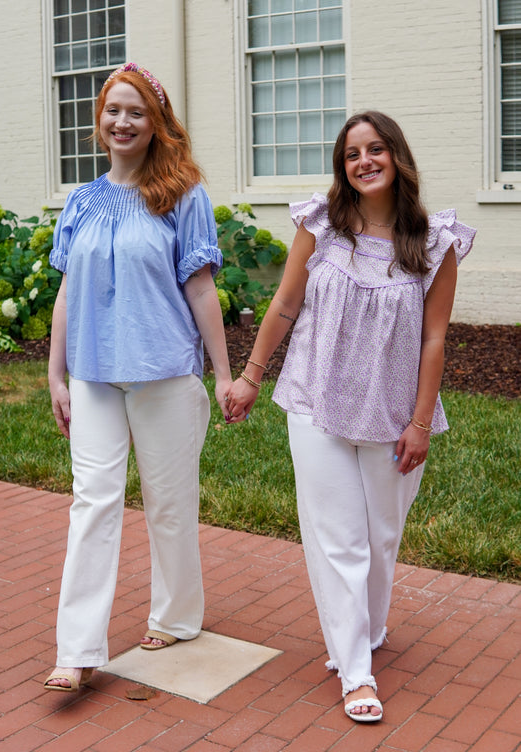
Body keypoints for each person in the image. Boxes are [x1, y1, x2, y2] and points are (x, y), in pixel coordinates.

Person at [226, 111, 475, 722]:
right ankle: (355, 673)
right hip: (316, 400)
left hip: (393, 414)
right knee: (338, 539)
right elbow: (286, 303)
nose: (363, 162)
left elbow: (434, 340)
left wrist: (420, 422)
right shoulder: (322, 227)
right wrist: (252, 375)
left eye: (375, 150)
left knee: (381, 538)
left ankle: (365, 628)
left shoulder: (434, 242)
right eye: (351, 154)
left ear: (396, 157)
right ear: (343, 166)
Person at [44, 63, 233, 692]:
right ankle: (76, 649)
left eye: (137, 112)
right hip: (95, 375)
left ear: (157, 124)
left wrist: (226, 375)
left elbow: (201, 286)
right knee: (91, 502)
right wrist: (56, 374)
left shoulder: (182, 195)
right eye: (113, 110)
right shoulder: (82, 200)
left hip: (165, 371)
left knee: (169, 504)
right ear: (100, 120)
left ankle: (177, 616)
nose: (122, 122)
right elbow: (68, 289)